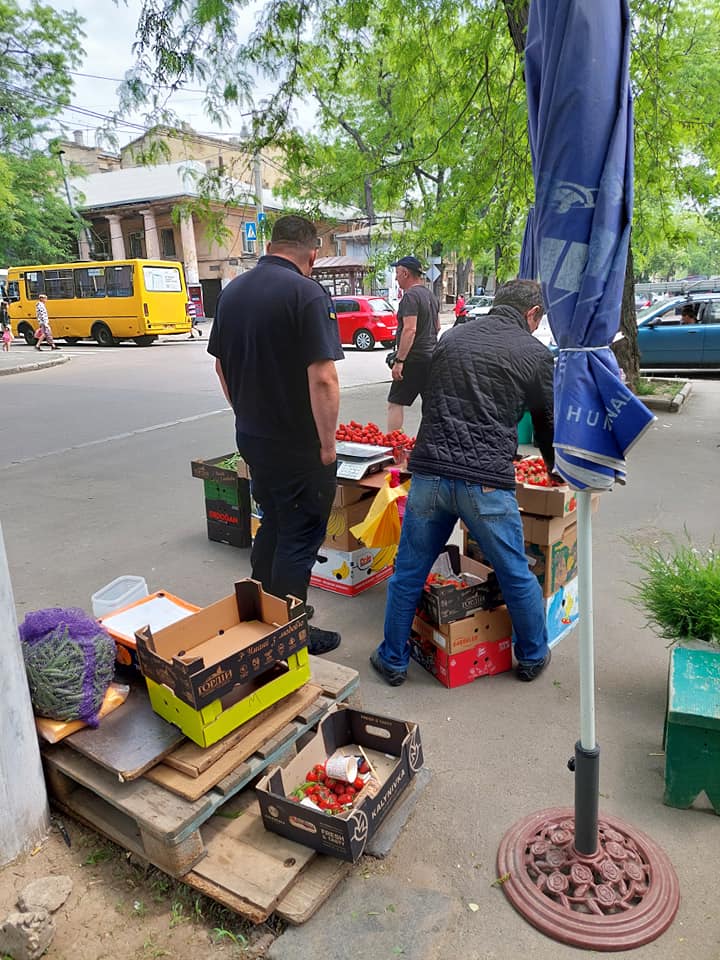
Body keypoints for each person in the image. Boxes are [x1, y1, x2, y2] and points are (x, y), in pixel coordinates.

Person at [370, 279, 555, 686]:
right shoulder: (535, 354)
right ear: (532, 314)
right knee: (515, 572)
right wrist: (554, 467)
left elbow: (428, 394)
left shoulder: (452, 338)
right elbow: (546, 426)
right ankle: (531, 655)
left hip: (431, 472)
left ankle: (393, 659)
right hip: (486, 480)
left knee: (408, 571)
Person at [208, 215, 344, 656]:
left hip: (254, 438)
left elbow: (221, 367)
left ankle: (260, 614)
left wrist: (244, 414)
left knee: (273, 522)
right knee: (298, 537)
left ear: (270, 246)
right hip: (298, 446)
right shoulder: (307, 293)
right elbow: (323, 377)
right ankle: (289, 633)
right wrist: (328, 445)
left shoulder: (233, 292)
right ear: (313, 254)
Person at [387, 256, 439, 433]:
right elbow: (437, 326)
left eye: (397, 273)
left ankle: (394, 442)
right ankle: (431, 442)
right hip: (431, 358)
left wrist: (399, 361)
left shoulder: (410, 297)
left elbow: (410, 329)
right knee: (430, 406)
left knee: (395, 402)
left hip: (413, 359)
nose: (396, 278)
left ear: (405, 273)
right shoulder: (430, 296)